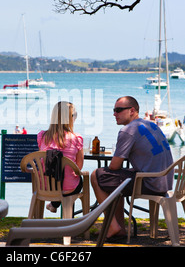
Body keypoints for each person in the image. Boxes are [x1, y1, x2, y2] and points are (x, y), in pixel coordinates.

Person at [91, 96, 173, 241]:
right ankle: (120, 229)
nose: (114, 114)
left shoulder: (128, 130)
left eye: (118, 110)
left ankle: (112, 225)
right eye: (114, 110)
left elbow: (114, 166)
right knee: (117, 180)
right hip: (165, 182)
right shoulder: (152, 125)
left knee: (96, 175)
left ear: (132, 110)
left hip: (150, 183)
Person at [37, 101, 84, 213]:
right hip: (69, 188)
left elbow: (43, 160)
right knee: (78, 179)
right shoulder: (76, 138)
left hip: (45, 186)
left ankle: (53, 205)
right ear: (70, 118)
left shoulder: (42, 136)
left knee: (58, 179)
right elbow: (79, 168)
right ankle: (66, 218)